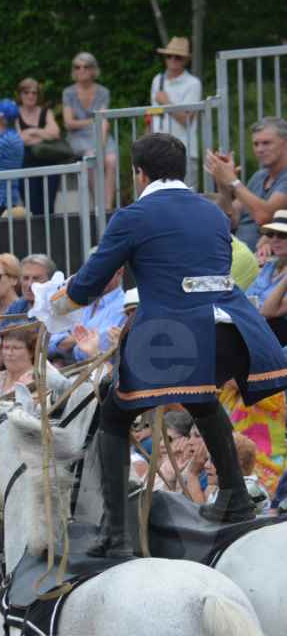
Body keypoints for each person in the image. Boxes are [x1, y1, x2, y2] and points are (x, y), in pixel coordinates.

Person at [61, 132, 287, 555]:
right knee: (201, 398)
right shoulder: (213, 215)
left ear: (139, 173)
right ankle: (236, 498)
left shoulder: (131, 216)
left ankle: (115, 533)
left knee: (113, 417)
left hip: (176, 334)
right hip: (235, 330)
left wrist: (53, 304)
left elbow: (87, 286)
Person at [206, 117, 287, 250]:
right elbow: (230, 220)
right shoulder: (259, 176)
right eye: (256, 144)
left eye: (266, 143)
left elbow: (263, 217)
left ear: (285, 143)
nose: (260, 149)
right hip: (235, 253)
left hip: (261, 260)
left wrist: (232, 180)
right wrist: (223, 184)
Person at [61, 52, 118, 211]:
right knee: (91, 158)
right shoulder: (68, 92)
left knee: (111, 160)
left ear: (93, 70)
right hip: (77, 136)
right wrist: (93, 121)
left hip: (99, 133)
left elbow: (104, 122)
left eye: (86, 67)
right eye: (77, 67)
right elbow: (69, 123)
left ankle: (108, 207)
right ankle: (98, 205)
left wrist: (101, 144)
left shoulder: (103, 91)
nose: (81, 70)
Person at [144, 38, 202, 187]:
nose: (173, 60)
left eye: (178, 57)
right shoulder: (157, 80)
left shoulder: (193, 83)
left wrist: (166, 103)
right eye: (169, 56)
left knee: (187, 196)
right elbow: (152, 116)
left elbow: (187, 119)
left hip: (184, 150)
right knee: (158, 196)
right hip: (158, 150)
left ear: (186, 60)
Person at [15, 79, 65, 213]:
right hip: (25, 166)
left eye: (34, 93)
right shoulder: (15, 113)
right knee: (31, 208)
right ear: (20, 94)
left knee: (48, 208)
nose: (30, 96)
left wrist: (32, 131)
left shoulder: (46, 112)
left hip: (49, 164)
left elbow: (55, 133)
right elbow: (19, 139)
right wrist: (43, 134)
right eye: (26, 92)